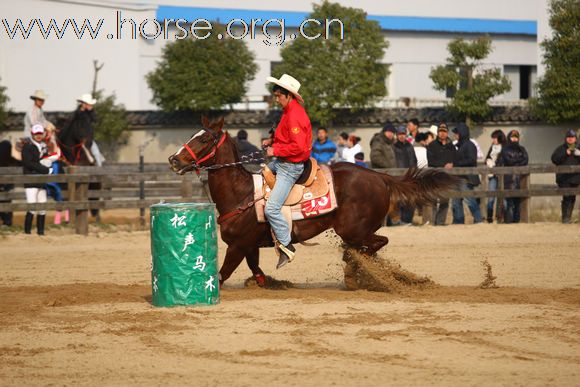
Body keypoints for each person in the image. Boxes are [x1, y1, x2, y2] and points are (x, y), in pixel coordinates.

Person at [263, 74, 312, 269]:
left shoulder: (294, 116)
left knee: (271, 208)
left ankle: (287, 245)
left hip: (290, 167)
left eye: (278, 95)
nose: (276, 98)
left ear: (289, 95)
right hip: (281, 161)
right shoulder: (287, 111)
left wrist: (275, 150)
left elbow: (298, 148)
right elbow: (285, 137)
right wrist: (272, 141)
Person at [22, 124, 51, 235]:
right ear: (32, 134)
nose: (38, 136)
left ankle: (41, 232)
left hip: (41, 181)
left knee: (42, 207)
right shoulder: (27, 147)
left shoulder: (44, 146)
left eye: (40, 133)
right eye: (36, 134)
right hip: (31, 181)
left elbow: (46, 159)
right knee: (32, 207)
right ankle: (27, 232)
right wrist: (44, 169)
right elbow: (28, 163)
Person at [451, 123, 483, 224]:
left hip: (467, 177)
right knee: (456, 200)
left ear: (462, 133)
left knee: (469, 199)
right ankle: (458, 221)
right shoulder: (460, 145)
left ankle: (478, 219)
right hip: (458, 177)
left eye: (457, 133)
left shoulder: (470, 145)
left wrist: (456, 164)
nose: (455, 135)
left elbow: (472, 160)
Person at [427, 122, 456, 225]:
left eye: (444, 131)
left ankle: (440, 222)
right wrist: (444, 165)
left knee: (445, 200)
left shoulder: (451, 146)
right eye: (440, 131)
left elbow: (455, 159)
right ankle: (433, 222)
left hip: (446, 178)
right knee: (434, 200)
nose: (442, 134)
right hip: (435, 177)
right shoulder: (431, 146)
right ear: (437, 132)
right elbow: (431, 161)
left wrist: (452, 163)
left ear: (447, 133)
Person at [497, 129, 528, 223]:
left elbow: (526, 160)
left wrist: (516, 163)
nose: (514, 139)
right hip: (508, 179)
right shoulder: (505, 149)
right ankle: (508, 220)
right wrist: (518, 162)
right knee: (509, 201)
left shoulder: (522, 149)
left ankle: (517, 220)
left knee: (517, 201)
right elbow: (508, 161)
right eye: (512, 137)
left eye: (516, 137)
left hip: (520, 179)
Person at [551, 129, 580, 223]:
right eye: (569, 137)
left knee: (572, 197)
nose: (570, 139)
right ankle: (565, 218)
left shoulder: (578, 148)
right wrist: (565, 153)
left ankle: (569, 217)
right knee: (566, 197)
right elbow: (554, 159)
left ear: (576, 138)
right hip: (563, 178)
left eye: (572, 137)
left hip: (575, 178)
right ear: (565, 138)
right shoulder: (561, 148)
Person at [394, 126, 418, 224]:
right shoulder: (394, 147)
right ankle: (398, 221)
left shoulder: (410, 146)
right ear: (397, 135)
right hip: (398, 178)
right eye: (400, 134)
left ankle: (408, 220)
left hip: (409, 177)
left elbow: (414, 161)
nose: (401, 136)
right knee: (398, 200)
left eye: (403, 134)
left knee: (410, 200)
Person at [484, 130, 506, 223]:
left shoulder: (504, 148)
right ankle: (489, 217)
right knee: (491, 197)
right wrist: (488, 162)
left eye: (495, 138)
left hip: (501, 175)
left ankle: (501, 217)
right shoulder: (492, 147)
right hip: (492, 175)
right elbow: (487, 158)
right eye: (493, 138)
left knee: (502, 197)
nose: (493, 140)